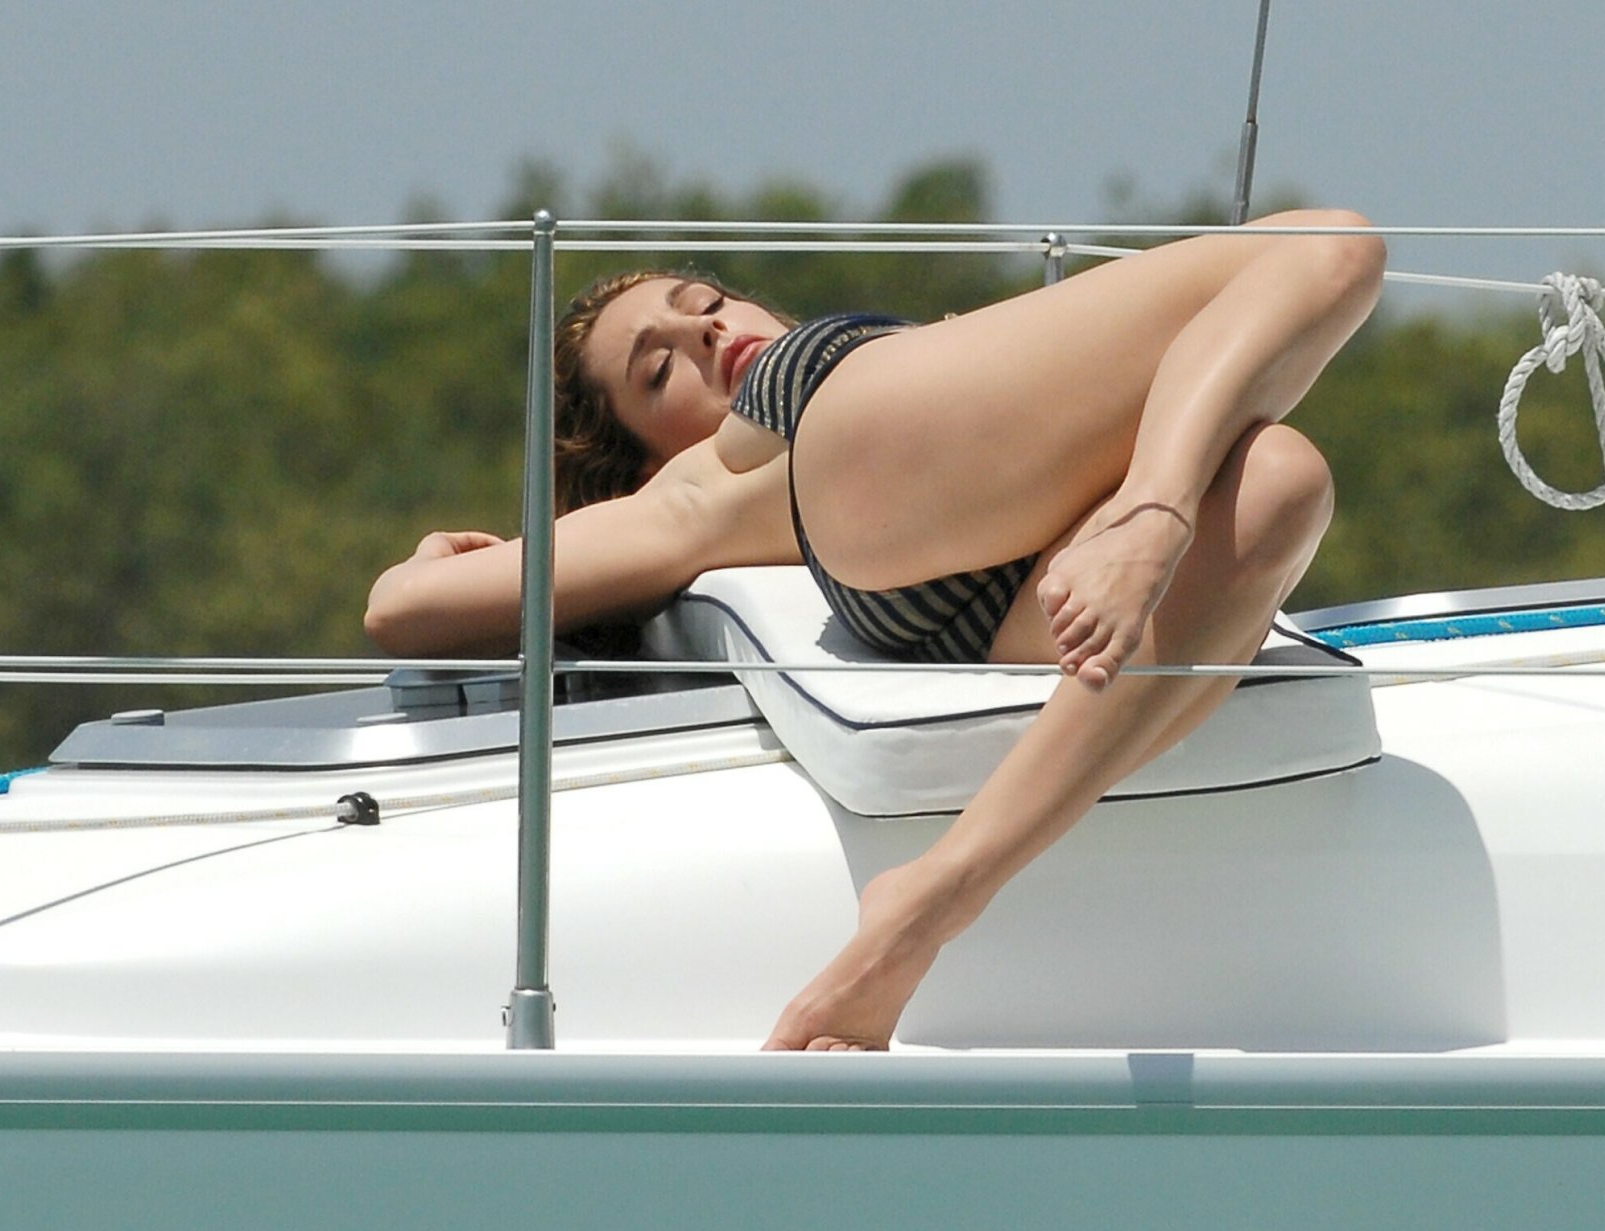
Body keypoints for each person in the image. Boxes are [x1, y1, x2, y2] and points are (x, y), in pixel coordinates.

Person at [365, 210, 1386, 1050]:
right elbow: (395, 611)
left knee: (1283, 478)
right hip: (863, 468)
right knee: (1333, 242)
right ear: (639, 459)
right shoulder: (687, 488)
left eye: (705, 304)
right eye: (657, 371)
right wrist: (431, 557)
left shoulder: (974, 380)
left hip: (999, 601)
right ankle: (1154, 506)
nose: (706, 335)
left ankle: (935, 896)